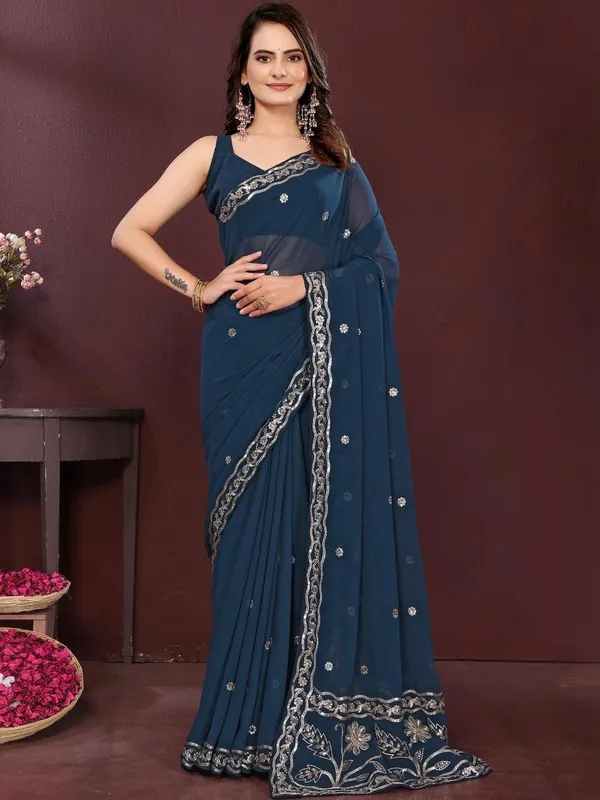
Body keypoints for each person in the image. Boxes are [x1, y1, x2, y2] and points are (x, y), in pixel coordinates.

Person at [111, 3, 491, 796]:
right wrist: (199, 286)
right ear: (242, 73)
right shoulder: (212, 154)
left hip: (317, 362)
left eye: (292, 57)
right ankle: (240, 727)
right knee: (249, 539)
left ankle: (303, 717)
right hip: (240, 364)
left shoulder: (336, 164)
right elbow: (130, 231)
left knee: (314, 534)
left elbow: (380, 269)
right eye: (265, 58)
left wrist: (304, 288)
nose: (279, 70)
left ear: (310, 71)